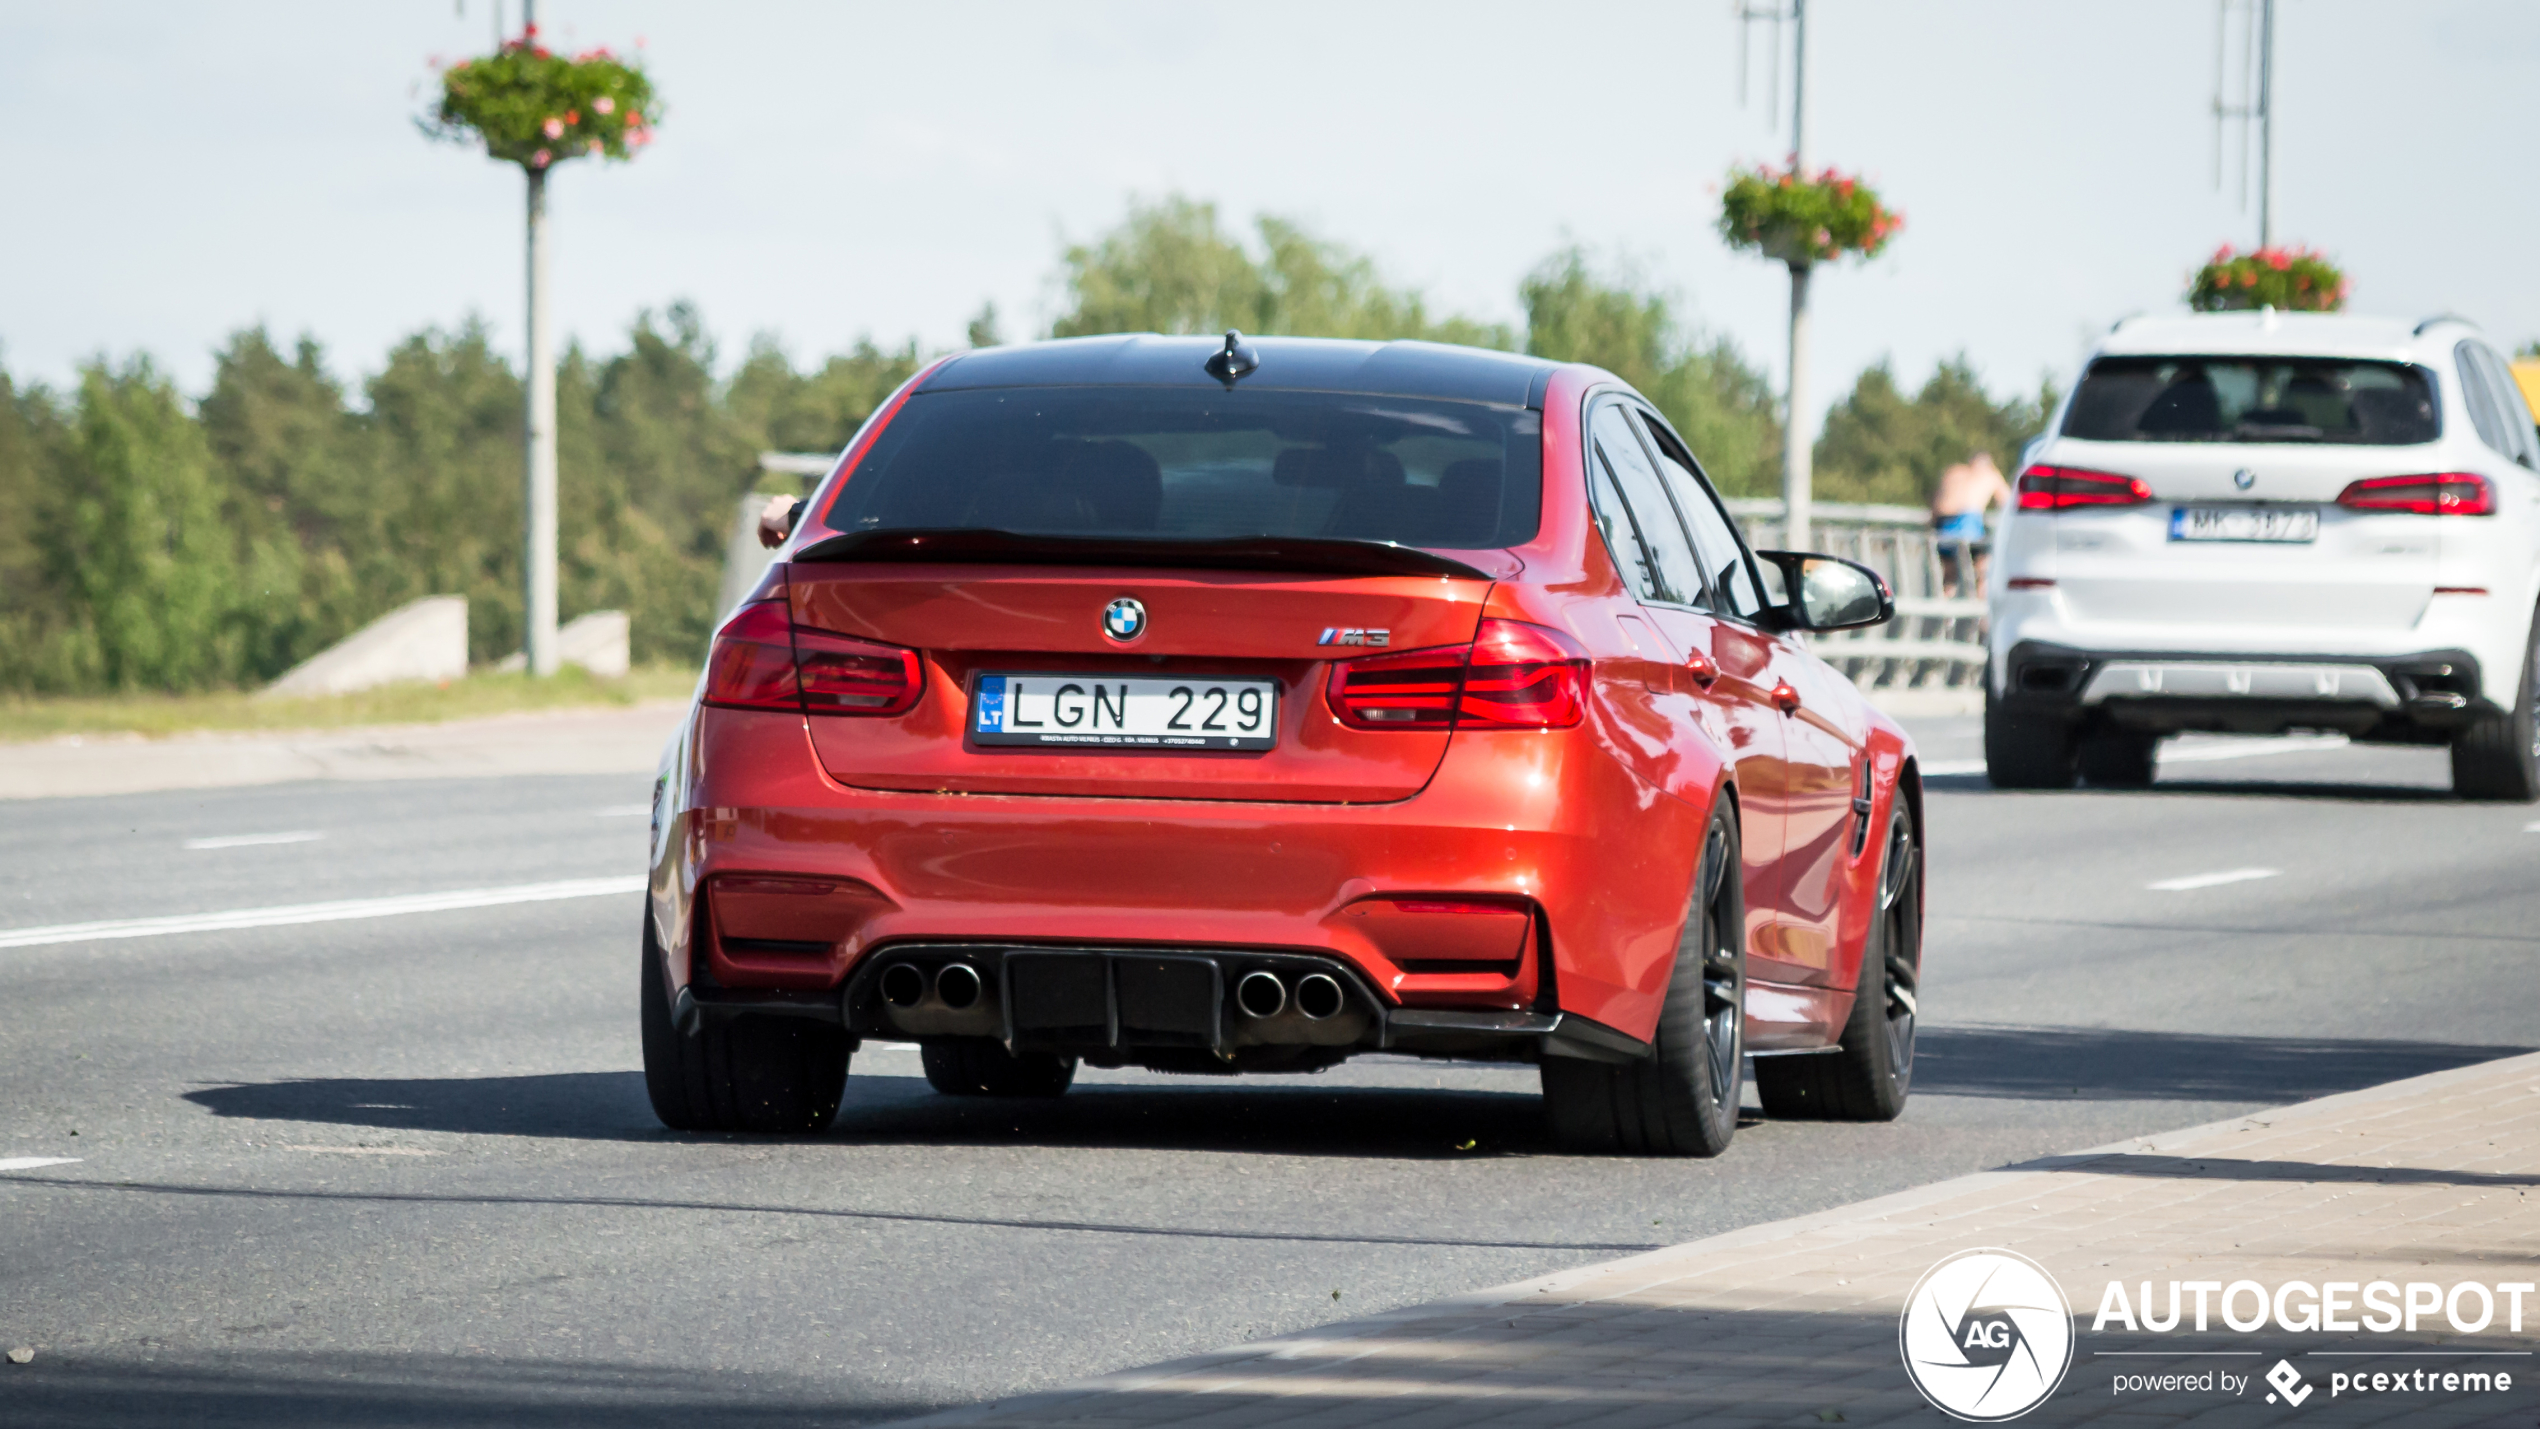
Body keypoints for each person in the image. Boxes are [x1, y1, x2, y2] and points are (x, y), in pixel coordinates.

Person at [1930, 450, 2009, 595]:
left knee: (1949, 574)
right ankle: (1981, 613)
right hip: (1967, 521)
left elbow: (1934, 505)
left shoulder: (1953, 471)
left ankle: (1946, 609)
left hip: (1942, 524)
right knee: (1983, 569)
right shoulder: (1989, 475)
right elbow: (2007, 501)